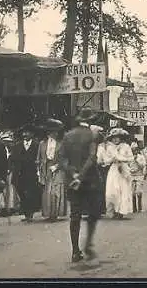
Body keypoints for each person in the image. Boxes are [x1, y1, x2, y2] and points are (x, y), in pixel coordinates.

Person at [58, 108, 102, 262]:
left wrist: (73, 174)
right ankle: (88, 244)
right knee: (94, 213)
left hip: (72, 181)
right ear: (91, 121)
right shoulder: (92, 135)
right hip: (90, 181)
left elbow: (61, 158)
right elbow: (92, 158)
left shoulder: (67, 136)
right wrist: (82, 175)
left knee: (74, 215)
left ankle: (75, 251)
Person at [37, 119, 67, 222]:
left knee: (56, 190)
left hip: (57, 168)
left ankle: (55, 214)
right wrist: (40, 169)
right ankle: (48, 214)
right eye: (50, 132)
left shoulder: (61, 143)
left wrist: (57, 166)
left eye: (55, 132)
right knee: (47, 191)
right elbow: (39, 158)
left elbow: (65, 158)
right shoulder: (42, 144)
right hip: (46, 168)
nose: (53, 134)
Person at [104, 128, 134, 219]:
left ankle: (121, 211)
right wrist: (112, 159)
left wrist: (121, 159)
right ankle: (113, 210)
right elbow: (106, 160)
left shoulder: (126, 147)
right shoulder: (109, 147)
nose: (115, 140)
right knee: (112, 191)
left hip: (123, 169)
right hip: (114, 169)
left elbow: (131, 158)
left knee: (123, 190)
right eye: (113, 138)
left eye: (117, 138)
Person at [13, 123, 41, 222]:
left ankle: (30, 213)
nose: (25, 134)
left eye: (27, 132)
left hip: (32, 173)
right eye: (24, 132)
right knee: (21, 193)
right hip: (20, 174)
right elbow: (13, 159)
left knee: (31, 193)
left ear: (32, 134)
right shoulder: (17, 145)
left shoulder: (37, 145)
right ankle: (26, 212)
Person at [0, 131, 20, 216]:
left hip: (10, 171)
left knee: (11, 188)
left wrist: (10, 169)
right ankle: (3, 207)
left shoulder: (12, 150)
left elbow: (14, 161)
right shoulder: (0, 150)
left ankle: (11, 206)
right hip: (2, 171)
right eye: (4, 141)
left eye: (8, 141)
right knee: (3, 189)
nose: (6, 143)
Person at [129, 141, 146, 213]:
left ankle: (140, 207)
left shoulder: (141, 157)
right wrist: (130, 170)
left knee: (139, 191)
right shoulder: (129, 157)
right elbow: (126, 166)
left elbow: (143, 165)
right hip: (131, 175)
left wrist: (137, 161)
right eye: (132, 150)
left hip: (139, 175)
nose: (134, 151)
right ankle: (134, 208)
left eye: (135, 149)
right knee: (132, 192)